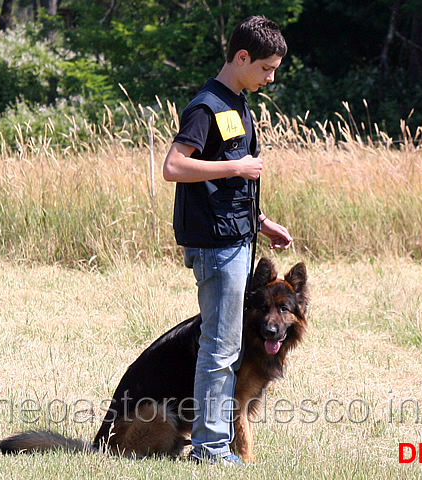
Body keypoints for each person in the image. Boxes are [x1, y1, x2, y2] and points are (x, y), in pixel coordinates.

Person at [162, 15, 293, 465]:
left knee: (228, 345)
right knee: (219, 347)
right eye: (266, 68)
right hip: (215, 247)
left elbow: (228, 190)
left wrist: (262, 222)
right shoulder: (206, 106)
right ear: (242, 58)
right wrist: (237, 167)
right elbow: (174, 167)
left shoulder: (238, 102)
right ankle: (211, 448)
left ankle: (213, 443)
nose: (270, 78)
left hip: (237, 239)